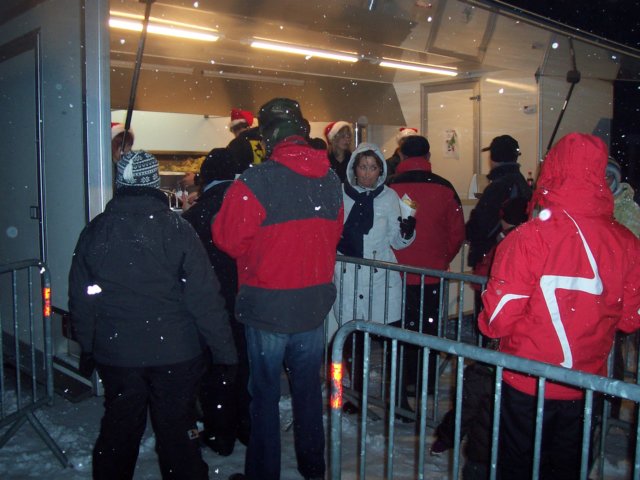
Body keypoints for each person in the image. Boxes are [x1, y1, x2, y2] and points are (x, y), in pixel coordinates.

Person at [478, 133, 640, 479]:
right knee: (567, 468)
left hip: (527, 382)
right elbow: (629, 319)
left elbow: (497, 320)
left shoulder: (528, 238)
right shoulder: (626, 242)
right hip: (586, 386)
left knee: (517, 468)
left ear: (553, 169)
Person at [68, 150, 237, 480]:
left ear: (120, 183)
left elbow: (83, 297)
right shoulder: (178, 229)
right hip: (175, 353)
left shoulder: (96, 231)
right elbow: (205, 298)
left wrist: (87, 346)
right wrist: (224, 353)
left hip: (118, 353)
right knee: (179, 436)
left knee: (119, 431)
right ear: (154, 183)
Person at [213, 98, 344, 480]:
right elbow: (334, 234)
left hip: (267, 306)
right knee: (308, 392)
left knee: (265, 397)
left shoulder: (255, 181)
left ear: (268, 136)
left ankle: (263, 473)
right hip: (312, 306)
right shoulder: (330, 181)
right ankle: (313, 466)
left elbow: (228, 240)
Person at [333, 142, 415, 411]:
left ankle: (398, 399)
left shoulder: (389, 197)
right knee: (352, 342)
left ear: (381, 170)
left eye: (373, 167)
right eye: (362, 167)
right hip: (349, 277)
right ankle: (354, 396)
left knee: (392, 341)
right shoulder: (340, 194)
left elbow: (397, 241)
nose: (367, 173)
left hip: (381, 281)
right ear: (354, 168)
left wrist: (407, 231)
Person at [181, 148, 251, 456]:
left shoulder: (196, 215)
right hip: (247, 299)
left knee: (216, 369)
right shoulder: (247, 205)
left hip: (209, 304)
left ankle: (220, 434)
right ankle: (247, 426)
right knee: (245, 366)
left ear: (206, 176)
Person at [387, 135, 465, 405]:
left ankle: (402, 383)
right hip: (432, 275)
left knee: (399, 332)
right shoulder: (445, 187)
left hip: (395, 274)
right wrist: (441, 259)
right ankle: (425, 382)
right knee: (428, 332)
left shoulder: (390, 187)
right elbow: (457, 233)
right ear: (429, 156)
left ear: (401, 156)